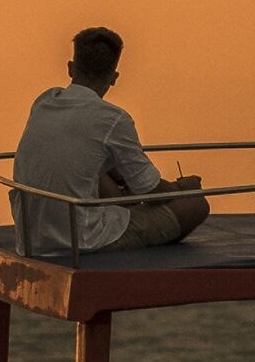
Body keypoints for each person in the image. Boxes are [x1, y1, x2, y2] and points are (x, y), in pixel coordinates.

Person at [12, 26, 209, 256]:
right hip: (78, 239)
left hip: (30, 237)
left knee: (96, 171)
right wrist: (182, 189)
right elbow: (151, 190)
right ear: (114, 77)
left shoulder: (45, 101)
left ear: (70, 68)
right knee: (195, 206)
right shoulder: (113, 119)